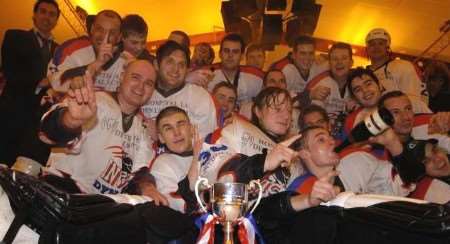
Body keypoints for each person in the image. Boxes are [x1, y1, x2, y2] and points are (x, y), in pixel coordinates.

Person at [40, 60, 165, 201]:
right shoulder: (93, 101)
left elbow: (140, 172)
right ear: (122, 76)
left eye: (149, 83)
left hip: (102, 208)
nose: (141, 87)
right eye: (135, 77)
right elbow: (46, 133)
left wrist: (147, 188)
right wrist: (70, 120)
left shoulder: (143, 129)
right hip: (61, 192)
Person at [0, 0, 60, 166]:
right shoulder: (14, 36)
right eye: (43, 11)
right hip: (12, 113)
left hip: (39, 124)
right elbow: (10, 71)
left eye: (52, 14)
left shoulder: (61, 51)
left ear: (57, 20)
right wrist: (42, 82)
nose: (47, 17)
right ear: (34, 15)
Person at [140, 41, 217, 139]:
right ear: (156, 64)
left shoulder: (200, 97)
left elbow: (206, 141)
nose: (175, 69)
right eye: (170, 62)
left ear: (187, 69)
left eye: (181, 64)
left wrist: (160, 135)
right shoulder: (141, 91)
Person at [47, 9, 125, 92]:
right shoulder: (71, 48)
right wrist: (95, 65)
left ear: (119, 37)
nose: (104, 36)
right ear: (92, 29)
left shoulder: (125, 64)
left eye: (112, 33)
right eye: (99, 29)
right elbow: (56, 80)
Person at [150, 106, 201, 214]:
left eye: (180, 124)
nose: (176, 133)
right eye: (168, 128)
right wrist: (197, 158)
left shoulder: (211, 153)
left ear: (191, 129)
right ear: (161, 138)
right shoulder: (162, 164)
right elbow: (181, 207)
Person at [365, 28, 428, 106]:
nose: (376, 47)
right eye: (372, 44)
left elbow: (417, 99)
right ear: (367, 48)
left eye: (380, 43)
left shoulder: (404, 66)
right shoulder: (363, 75)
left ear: (387, 47)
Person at [304, 42, 354, 125]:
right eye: (335, 59)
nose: (339, 62)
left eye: (344, 58)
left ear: (351, 62)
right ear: (329, 63)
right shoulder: (320, 83)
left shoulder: (358, 83)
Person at [207, 33, 264, 104]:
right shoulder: (206, 73)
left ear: (242, 56)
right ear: (220, 54)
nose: (230, 55)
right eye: (226, 51)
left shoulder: (256, 77)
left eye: (235, 52)